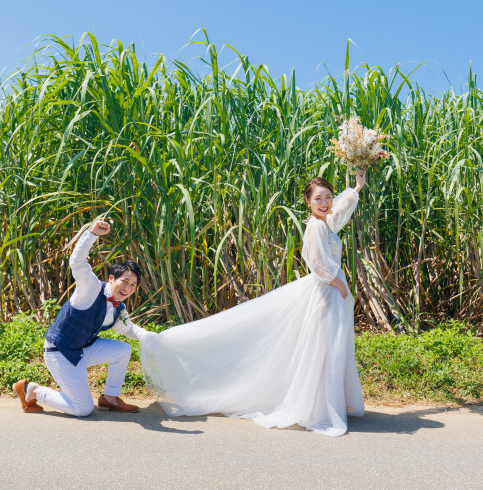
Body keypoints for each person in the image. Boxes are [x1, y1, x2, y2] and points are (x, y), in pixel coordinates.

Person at [141, 170, 367, 436]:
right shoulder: (315, 226)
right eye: (319, 198)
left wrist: (356, 188)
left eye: (329, 197)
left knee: (328, 346)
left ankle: (325, 402)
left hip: (329, 290)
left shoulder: (326, 222)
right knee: (323, 347)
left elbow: (338, 214)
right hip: (327, 289)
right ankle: (319, 406)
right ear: (308, 201)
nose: (326, 203)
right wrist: (338, 283)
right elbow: (317, 262)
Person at [13, 220, 155, 416]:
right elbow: (77, 261)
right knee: (83, 409)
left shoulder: (118, 308)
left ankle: (110, 399)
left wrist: (155, 338)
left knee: (123, 349)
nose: (128, 288)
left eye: (133, 285)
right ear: (112, 278)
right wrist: (92, 234)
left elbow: (129, 329)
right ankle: (33, 391)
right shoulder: (90, 287)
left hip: (83, 348)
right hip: (59, 351)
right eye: (125, 281)